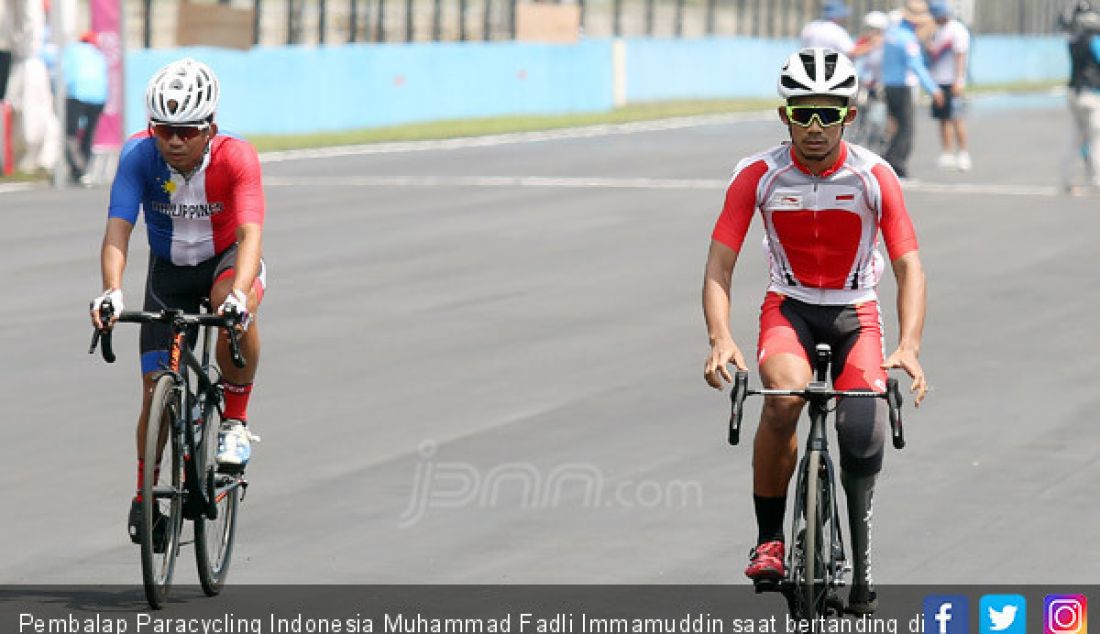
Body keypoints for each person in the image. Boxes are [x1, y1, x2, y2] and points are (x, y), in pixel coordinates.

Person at [702, 47, 928, 614]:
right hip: (791, 308)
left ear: (848, 116)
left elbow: (909, 267)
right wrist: (720, 338)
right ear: (786, 117)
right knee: (782, 399)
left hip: (857, 313)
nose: (815, 126)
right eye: (803, 112)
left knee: (861, 434)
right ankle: (770, 540)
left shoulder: (875, 176)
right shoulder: (757, 174)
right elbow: (719, 266)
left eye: (828, 112)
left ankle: (863, 556)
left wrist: (909, 344)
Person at [88, 57, 266, 545]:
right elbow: (118, 230)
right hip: (167, 274)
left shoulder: (236, 158)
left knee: (231, 302)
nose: (174, 140)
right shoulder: (138, 156)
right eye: (164, 129)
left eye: (186, 130)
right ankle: (146, 492)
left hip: (226, 263)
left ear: (210, 127)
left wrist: (238, 298)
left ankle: (234, 419)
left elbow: (251, 234)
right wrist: (111, 291)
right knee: (154, 394)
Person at [880, 0, 944, 178]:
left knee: (894, 126)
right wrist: (934, 90)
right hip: (902, 86)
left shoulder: (891, 33)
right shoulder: (908, 40)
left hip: (888, 84)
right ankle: (896, 164)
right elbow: (917, 67)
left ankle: (888, 159)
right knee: (906, 129)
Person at [925, 1, 971, 171]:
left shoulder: (957, 30)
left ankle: (964, 153)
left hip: (952, 81)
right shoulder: (936, 30)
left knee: (956, 117)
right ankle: (948, 152)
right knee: (943, 118)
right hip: (938, 81)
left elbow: (960, 56)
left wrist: (958, 80)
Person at [1061, 3, 1100, 194]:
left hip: (1073, 94)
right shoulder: (1095, 41)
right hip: (1091, 95)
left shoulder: (1073, 41)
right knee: (1095, 140)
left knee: (1073, 139)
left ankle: (1067, 180)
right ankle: (1097, 181)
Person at [61, 30, 107, 185]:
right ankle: (83, 168)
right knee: (88, 134)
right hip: (98, 97)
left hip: (76, 93)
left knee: (70, 133)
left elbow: (62, 71)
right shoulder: (99, 55)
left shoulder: (71, 49)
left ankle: (77, 167)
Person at [800, 1, 879, 59]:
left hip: (810, 71)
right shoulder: (837, 31)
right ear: (837, 16)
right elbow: (852, 52)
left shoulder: (810, 27)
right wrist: (873, 44)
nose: (844, 18)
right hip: (831, 73)